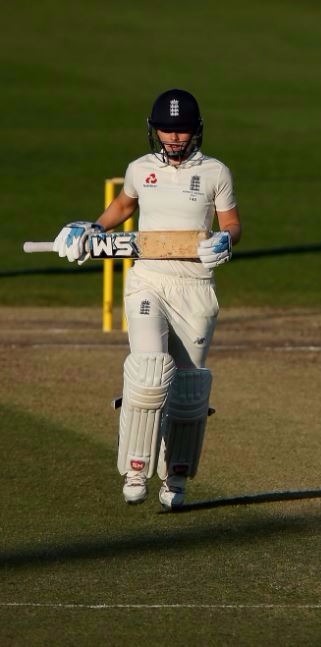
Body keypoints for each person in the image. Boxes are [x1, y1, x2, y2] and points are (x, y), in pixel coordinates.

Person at [53, 88, 242, 509]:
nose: (174, 138)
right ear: (154, 130)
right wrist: (94, 228)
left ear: (196, 131)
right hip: (148, 279)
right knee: (149, 369)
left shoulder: (216, 172)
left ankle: (176, 476)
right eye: (166, 130)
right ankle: (136, 466)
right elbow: (123, 204)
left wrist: (225, 240)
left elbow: (231, 223)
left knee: (190, 387)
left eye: (182, 130)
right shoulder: (140, 169)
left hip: (195, 285)